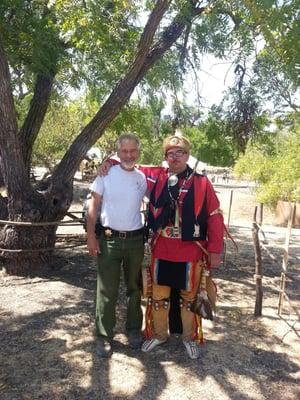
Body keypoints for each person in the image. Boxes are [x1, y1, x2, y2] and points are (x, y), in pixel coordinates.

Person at [101, 135, 224, 360]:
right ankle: (159, 334)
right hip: (162, 248)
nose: (175, 157)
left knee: (188, 297)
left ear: (188, 156)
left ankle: (189, 337)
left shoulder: (202, 182)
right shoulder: (157, 177)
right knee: (158, 296)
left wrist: (215, 250)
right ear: (165, 157)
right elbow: (130, 163)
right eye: (170, 153)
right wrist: (110, 162)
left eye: (180, 153)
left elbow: (215, 217)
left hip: (190, 250)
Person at [87, 133, 147, 357]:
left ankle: (133, 331)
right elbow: (94, 205)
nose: (129, 155)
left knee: (134, 289)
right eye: (124, 151)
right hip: (109, 240)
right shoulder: (106, 174)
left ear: (138, 152)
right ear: (117, 152)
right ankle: (104, 336)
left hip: (135, 241)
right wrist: (91, 236)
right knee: (106, 291)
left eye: (133, 151)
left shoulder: (142, 178)